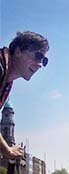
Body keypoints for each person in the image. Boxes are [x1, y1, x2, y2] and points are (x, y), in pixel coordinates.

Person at [1, 31, 49, 161]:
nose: (40, 64)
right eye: (37, 56)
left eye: (44, 61)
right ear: (17, 51)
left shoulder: (6, 81)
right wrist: (8, 150)